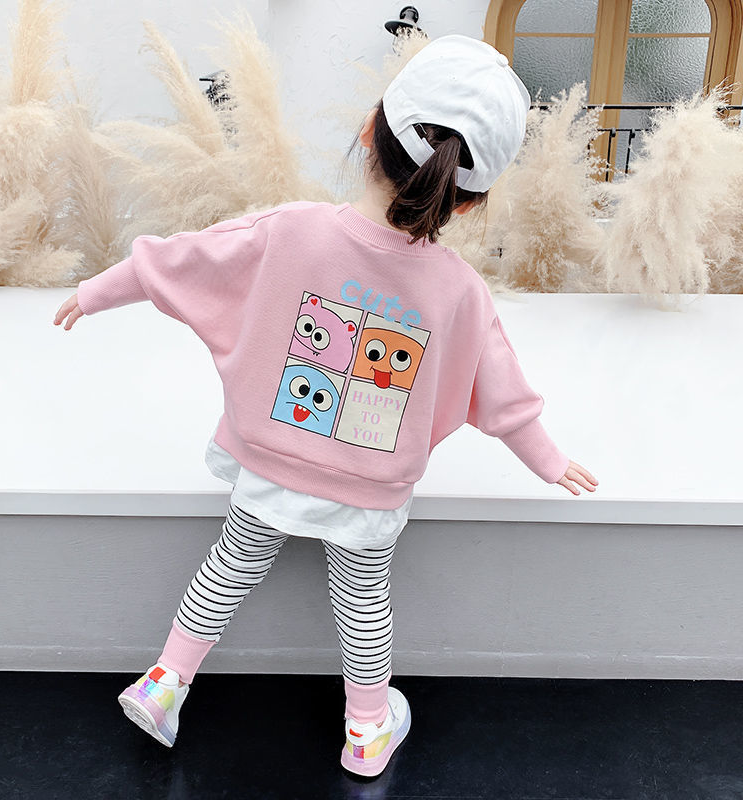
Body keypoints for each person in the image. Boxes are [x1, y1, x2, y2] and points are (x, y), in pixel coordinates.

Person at [53, 34, 598, 778]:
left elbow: (178, 260)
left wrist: (95, 292)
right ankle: (366, 730)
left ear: (370, 129)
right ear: (471, 202)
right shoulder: (460, 292)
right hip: (369, 490)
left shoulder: (290, 230)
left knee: (229, 565)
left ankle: (165, 681)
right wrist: (550, 460)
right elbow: (502, 392)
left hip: (270, 459)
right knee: (363, 602)